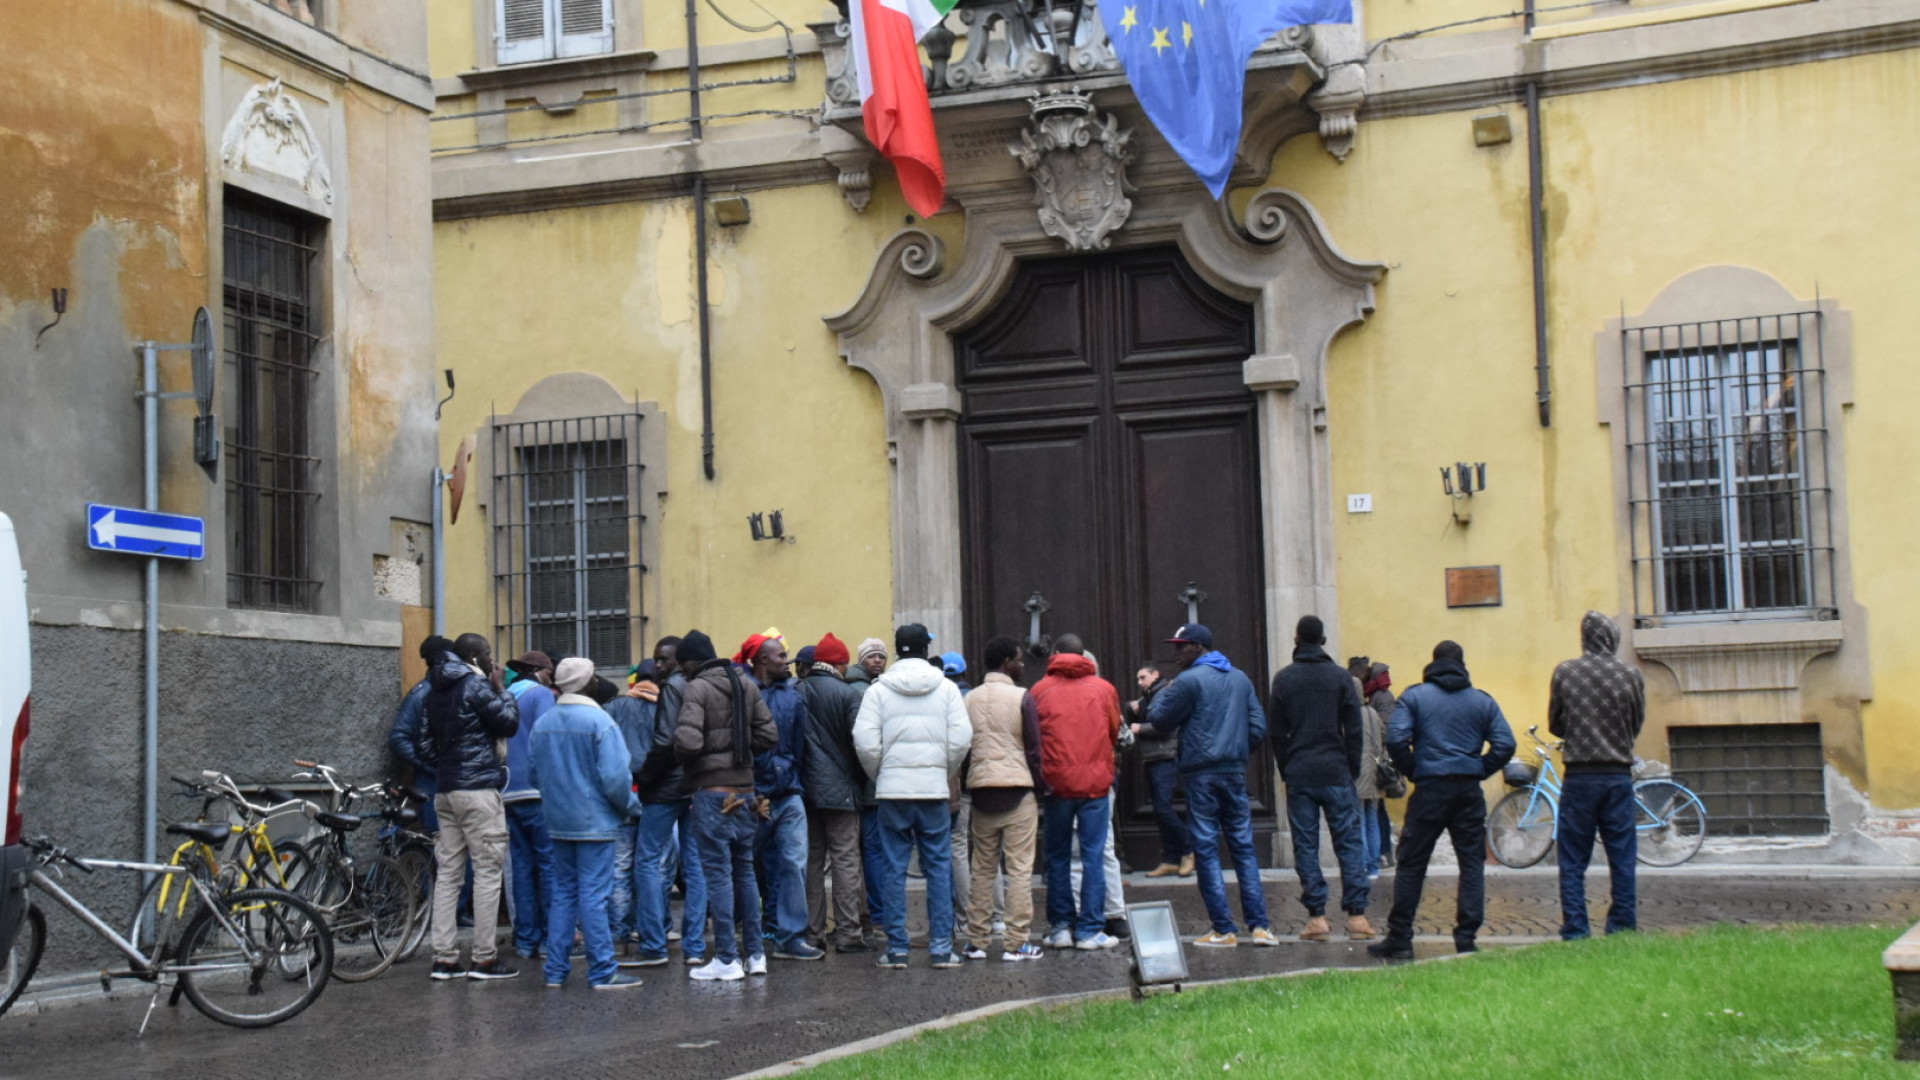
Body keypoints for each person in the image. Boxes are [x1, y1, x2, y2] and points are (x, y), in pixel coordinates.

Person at [1369, 641, 1516, 959]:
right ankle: (1466, 939)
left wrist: (1413, 770)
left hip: (1430, 789)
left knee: (1411, 863)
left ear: (1433, 664)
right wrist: (1479, 769)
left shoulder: (1415, 697)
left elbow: (1395, 738)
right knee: (1471, 864)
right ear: (1463, 665)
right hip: (1467, 791)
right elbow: (1505, 744)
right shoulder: (1482, 701)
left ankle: (1401, 938)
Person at [1146, 624, 1275, 948]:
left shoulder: (1189, 681)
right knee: (1243, 848)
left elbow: (1159, 718)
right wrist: (1235, 751)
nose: (1175, 653)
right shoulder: (1240, 678)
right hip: (1233, 772)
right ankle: (1260, 927)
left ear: (1197, 648)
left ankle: (1223, 929)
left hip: (1201, 774)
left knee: (1205, 849)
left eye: (1181, 646)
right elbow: (1258, 726)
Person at [853, 623, 972, 970]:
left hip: (892, 792)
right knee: (938, 867)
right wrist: (942, 770)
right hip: (933, 791)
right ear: (925, 649)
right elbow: (961, 739)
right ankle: (940, 949)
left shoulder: (878, 690)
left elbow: (864, 740)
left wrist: (881, 773)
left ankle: (897, 950)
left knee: (893, 868)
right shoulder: (947, 689)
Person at [530, 657, 645, 990]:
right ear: (587, 682)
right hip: (595, 821)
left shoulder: (544, 723)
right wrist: (629, 807)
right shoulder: (600, 721)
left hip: (558, 819)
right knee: (595, 896)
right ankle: (602, 971)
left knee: (564, 894)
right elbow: (615, 778)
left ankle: (555, 971)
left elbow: (535, 774)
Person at [674, 630, 778, 981]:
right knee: (745, 871)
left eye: (682, 663)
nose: (680, 670)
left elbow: (688, 741)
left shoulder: (697, 688)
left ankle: (727, 959)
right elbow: (769, 735)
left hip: (712, 793)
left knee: (718, 875)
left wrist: (698, 757)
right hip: (746, 792)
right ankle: (756, 956)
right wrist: (739, 753)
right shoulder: (745, 684)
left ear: (693, 661)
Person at [424, 633, 522, 981]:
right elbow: (508, 723)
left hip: (446, 789)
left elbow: (424, 743)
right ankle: (484, 958)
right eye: (487, 653)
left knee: (449, 874)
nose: (491, 660)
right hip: (478, 789)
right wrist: (502, 689)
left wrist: (449, 764)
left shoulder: (434, 689)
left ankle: (444, 959)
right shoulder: (476, 685)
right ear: (475, 656)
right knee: (487, 871)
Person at [1269, 616, 1373, 942]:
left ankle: (1317, 917)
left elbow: (1277, 732)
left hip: (1301, 771)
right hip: (1336, 770)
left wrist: (1287, 769)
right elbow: (1354, 730)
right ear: (1323, 639)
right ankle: (1357, 917)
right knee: (1349, 844)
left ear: (1297, 637)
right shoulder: (1340, 678)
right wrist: (1351, 767)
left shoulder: (1284, 679)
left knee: (1306, 846)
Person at [1550, 611, 1646, 941]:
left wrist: (1579, 731)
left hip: (1579, 776)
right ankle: (1622, 927)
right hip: (1617, 775)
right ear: (1612, 636)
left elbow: (1555, 722)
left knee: (1573, 859)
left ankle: (1576, 929)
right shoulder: (1630, 674)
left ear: (1584, 637)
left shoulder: (1565, 672)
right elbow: (1636, 722)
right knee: (1622, 856)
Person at [1032, 634, 1124, 951]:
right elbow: (1114, 731)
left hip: (1056, 785)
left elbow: (1032, 736)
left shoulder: (1040, 691)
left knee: (1056, 857)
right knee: (1093, 855)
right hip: (1095, 784)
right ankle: (1089, 929)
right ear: (1083, 655)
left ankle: (1060, 927)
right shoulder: (1104, 689)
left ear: (1055, 654)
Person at [962, 635, 1046, 961]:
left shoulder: (969, 699)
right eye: (1020, 659)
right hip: (1018, 791)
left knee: (982, 869)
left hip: (981, 792)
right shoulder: (1022, 697)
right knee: (1020, 869)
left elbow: (963, 747)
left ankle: (977, 941)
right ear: (1007, 663)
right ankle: (1016, 942)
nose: (1023, 665)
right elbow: (1035, 749)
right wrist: (1040, 787)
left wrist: (971, 780)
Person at [743, 633, 825, 962]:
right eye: (780, 656)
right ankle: (746, 937)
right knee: (742, 864)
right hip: (754, 794)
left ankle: (790, 937)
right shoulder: (744, 693)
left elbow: (799, 745)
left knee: (795, 862)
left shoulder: (793, 697)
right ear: (762, 660)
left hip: (789, 791)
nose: (785, 661)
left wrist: (794, 779)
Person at [629, 637, 710, 968]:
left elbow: (665, 741)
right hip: (697, 785)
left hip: (668, 787)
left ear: (681, 660)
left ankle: (653, 943)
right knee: (696, 863)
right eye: (655, 659)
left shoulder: (675, 687)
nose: (657, 665)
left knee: (647, 860)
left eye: (664, 659)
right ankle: (694, 946)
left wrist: (647, 779)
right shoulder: (706, 684)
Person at [798, 633, 870, 953]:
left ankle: (813, 933)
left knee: (811, 863)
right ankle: (848, 933)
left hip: (804, 791)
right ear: (840, 664)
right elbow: (861, 745)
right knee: (845, 862)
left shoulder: (796, 691)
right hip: (841, 792)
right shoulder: (847, 695)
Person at [501, 651, 557, 960]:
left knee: (521, 867)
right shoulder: (542, 696)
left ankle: (525, 940)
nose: (552, 677)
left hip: (508, 791)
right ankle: (551, 939)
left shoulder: (506, 696)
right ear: (538, 671)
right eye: (549, 671)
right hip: (537, 792)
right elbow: (546, 742)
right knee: (548, 866)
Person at [1128, 662, 1191, 879]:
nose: (1139, 682)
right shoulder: (1153, 696)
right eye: (1138, 679)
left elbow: (1165, 725)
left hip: (1165, 757)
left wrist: (1139, 728)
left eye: (1143, 677)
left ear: (1156, 675)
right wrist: (1138, 709)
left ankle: (1188, 850)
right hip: (1155, 757)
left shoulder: (1165, 694)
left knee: (1163, 808)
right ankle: (1170, 859)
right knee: (1160, 809)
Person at [847, 636, 889, 940]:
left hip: (851, 785)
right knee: (873, 852)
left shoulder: (849, 686)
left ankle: (860, 915)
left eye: (881, 656)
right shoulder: (870, 692)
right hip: (870, 786)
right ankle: (878, 917)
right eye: (871, 656)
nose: (877, 660)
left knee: (851, 855)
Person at [389, 635, 452, 832]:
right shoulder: (422, 695)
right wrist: (427, 765)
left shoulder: (447, 690)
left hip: (448, 778)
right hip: (430, 781)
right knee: (436, 839)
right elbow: (398, 738)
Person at [1361, 661, 1396, 877]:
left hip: (1365, 768)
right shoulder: (1380, 698)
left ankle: (1368, 862)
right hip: (1377, 765)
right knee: (1374, 815)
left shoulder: (1378, 697)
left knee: (1364, 817)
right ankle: (1378, 860)